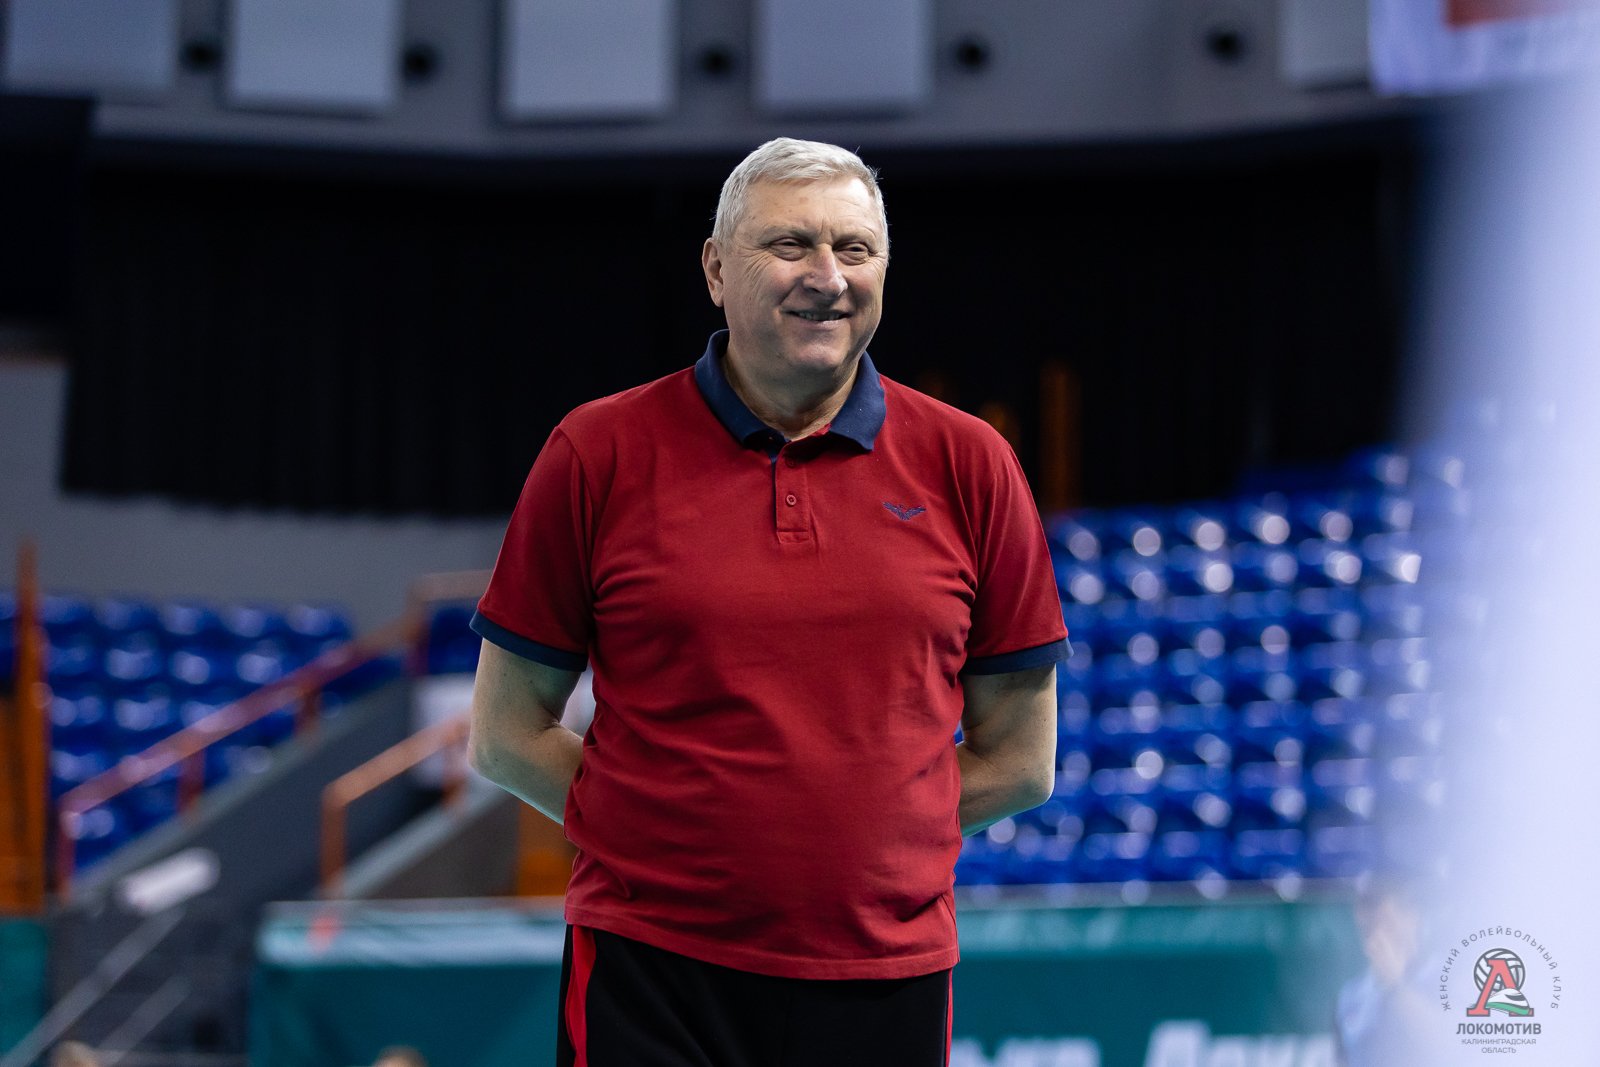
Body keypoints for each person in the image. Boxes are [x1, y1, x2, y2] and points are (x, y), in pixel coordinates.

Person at [469, 137, 1068, 1067]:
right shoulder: (596, 452)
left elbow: (1022, 760)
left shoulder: (974, 464)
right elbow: (506, 733)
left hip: (887, 974)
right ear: (716, 269)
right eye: (790, 245)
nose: (827, 277)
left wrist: (868, 847)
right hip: (650, 968)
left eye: (855, 249)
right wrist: (662, 844)